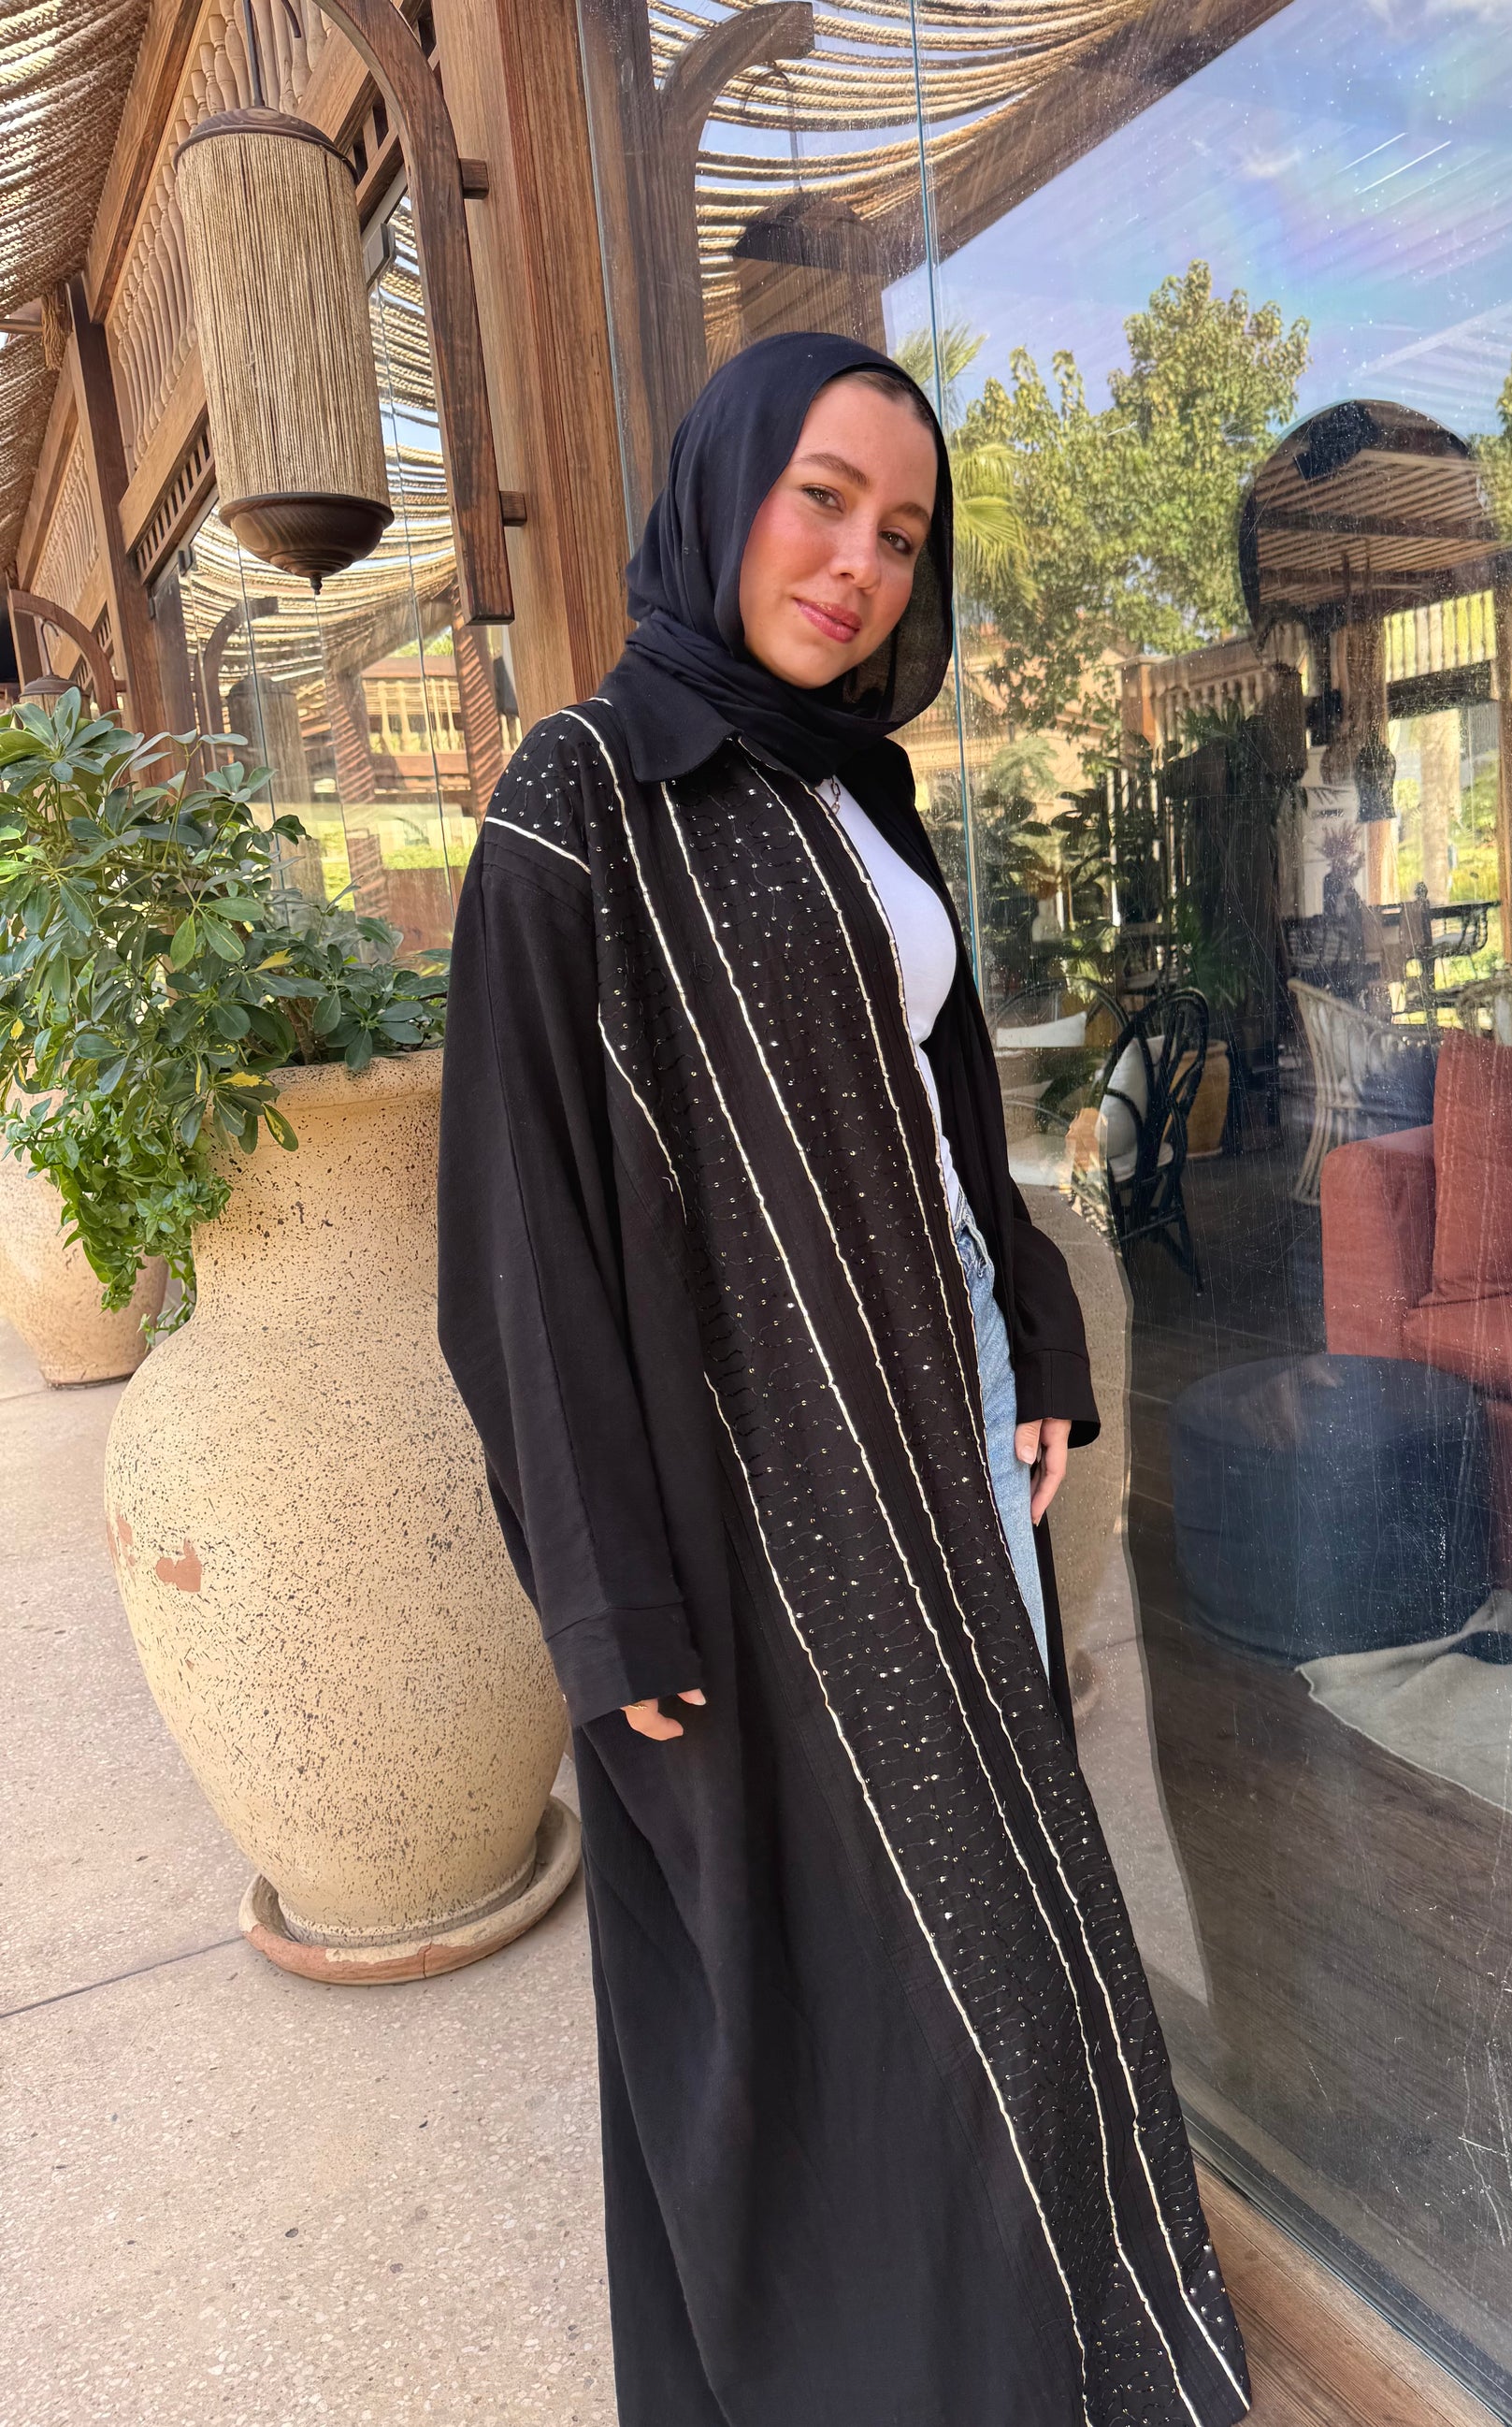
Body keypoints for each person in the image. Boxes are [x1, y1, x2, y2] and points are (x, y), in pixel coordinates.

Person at [436, 330, 1249, 2427]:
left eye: (901, 532)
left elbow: (952, 1119)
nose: (859, 563)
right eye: (822, 498)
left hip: (947, 1407)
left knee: (1012, 1895)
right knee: (852, 1954)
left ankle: (1071, 2339)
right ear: (726, 490)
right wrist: (603, 1592)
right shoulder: (585, 798)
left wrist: (1036, 1335)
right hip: (758, 1472)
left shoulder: (852, 789)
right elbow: (516, 1240)